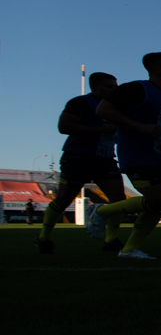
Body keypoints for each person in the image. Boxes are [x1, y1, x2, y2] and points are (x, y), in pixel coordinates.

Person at [85, 53, 161, 259]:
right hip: (139, 156)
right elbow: (103, 110)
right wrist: (138, 126)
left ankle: (129, 249)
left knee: (157, 205)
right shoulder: (138, 89)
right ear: (156, 69)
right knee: (156, 200)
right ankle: (102, 212)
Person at [37, 72, 126, 254]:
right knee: (63, 199)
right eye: (110, 86)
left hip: (105, 159)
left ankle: (111, 240)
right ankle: (43, 237)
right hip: (77, 158)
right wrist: (101, 130)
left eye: (116, 86)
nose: (114, 90)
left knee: (118, 199)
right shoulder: (81, 102)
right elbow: (64, 127)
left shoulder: (116, 107)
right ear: (96, 87)